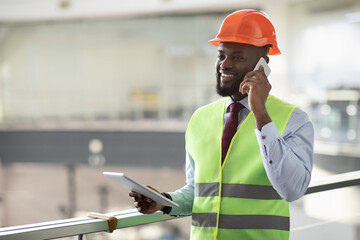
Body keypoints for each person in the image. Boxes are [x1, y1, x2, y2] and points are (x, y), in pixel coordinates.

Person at [130, 9, 314, 239]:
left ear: (262, 65)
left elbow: (292, 189)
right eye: (221, 56)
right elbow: (200, 193)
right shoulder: (200, 118)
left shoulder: (293, 119)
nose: (224, 64)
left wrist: (260, 112)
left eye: (236, 57)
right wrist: (164, 202)